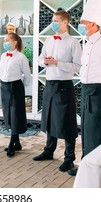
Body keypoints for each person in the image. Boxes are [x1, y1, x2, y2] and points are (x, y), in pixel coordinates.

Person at [68, 0, 101, 176]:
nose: (80, 25)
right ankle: (87, 164)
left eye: (83, 23)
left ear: (92, 24)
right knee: (88, 130)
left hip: (100, 92)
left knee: (99, 130)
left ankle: (99, 167)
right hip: (87, 90)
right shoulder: (87, 43)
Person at [33, 10, 82, 172]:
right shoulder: (48, 40)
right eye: (53, 21)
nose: (53, 23)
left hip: (64, 85)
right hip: (50, 83)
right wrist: (45, 62)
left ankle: (69, 158)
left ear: (65, 22)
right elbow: (40, 59)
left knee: (66, 122)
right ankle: (49, 151)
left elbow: (78, 67)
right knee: (48, 119)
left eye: (56, 21)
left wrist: (58, 62)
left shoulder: (73, 42)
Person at [0, 32, 32, 157]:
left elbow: (27, 76)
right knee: (8, 113)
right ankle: (17, 143)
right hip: (4, 86)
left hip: (16, 87)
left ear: (14, 42)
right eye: (4, 40)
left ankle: (11, 144)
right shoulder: (3, 56)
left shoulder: (21, 57)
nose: (5, 42)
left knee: (15, 115)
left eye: (7, 40)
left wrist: (20, 86)